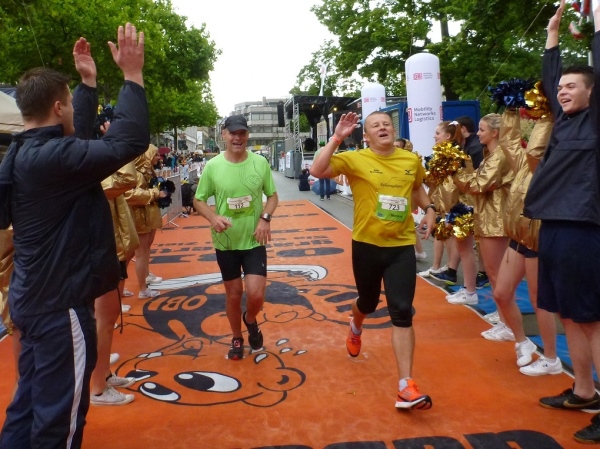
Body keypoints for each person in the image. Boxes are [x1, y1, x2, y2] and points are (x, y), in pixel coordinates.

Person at [0, 23, 149, 449]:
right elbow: (128, 141)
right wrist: (132, 76)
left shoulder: (24, 152)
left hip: (32, 298)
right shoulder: (52, 159)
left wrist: (86, 85)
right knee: (58, 419)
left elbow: (73, 138)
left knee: (27, 407)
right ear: (57, 106)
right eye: (69, 102)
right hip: (59, 305)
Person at [311, 111, 437, 410]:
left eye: (386, 124)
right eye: (375, 126)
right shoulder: (355, 159)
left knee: (402, 310)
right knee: (367, 303)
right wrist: (337, 137)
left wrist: (430, 209)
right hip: (367, 245)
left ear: (393, 130)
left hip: (401, 245)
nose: (383, 128)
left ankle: (406, 386)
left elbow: (417, 188)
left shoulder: (410, 160)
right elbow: (317, 170)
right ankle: (356, 325)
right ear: (366, 136)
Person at [523, 1, 600, 443]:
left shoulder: (595, 122)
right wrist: (552, 32)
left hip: (582, 230)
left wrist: (594, 22)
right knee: (570, 315)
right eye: (561, 87)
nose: (563, 91)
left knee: (591, 320)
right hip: (552, 226)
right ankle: (584, 391)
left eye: (573, 86)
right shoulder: (564, 121)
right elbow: (551, 76)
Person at [193, 115, 278, 361]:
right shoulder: (213, 166)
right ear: (224, 135)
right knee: (233, 294)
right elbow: (198, 200)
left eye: (242, 133)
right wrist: (213, 217)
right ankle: (237, 337)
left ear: (247, 135)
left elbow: (272, 196)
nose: (237, 138)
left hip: (253, 239)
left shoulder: (259, 163)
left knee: (256, 294)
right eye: (233, 133)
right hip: (226, 241)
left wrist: (265, 218)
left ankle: (250, 319)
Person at [493, 108, 560, 374]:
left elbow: (535, 150)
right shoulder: (522, 163)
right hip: (518, 236)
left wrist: (546, 114)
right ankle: (523, 342)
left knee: (538, 300)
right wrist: (511, 107)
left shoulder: (548, 167)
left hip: (537, 238)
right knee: (501, 294)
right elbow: (508, 140)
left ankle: (552, 359)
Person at [90, 158, 140, 406]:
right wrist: (119, 148)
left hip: (112, 246)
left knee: (107, 319)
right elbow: (128, 179)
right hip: (102, 247)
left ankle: (104, 375)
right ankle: (99, 388)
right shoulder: (91, 166)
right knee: (103, 320)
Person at [124, 145, 167, 298]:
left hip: (144, 214)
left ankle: (129, 284)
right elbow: (130, 194)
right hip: (138, 216)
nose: (158, 158)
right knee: (139, 253)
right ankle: (142, 289)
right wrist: (155, 193)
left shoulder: (145, 172)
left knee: (139, 251)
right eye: (155, 155)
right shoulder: (137, 173)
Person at [394, 137, 426, 261]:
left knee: (406, 223)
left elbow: (419, 182)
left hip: (406, 196)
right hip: (398, 197)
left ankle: (417, 251)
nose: (394, 148)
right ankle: (419, 251)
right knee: (407, 223)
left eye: (397, 146)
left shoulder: (410, 161)